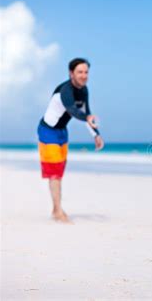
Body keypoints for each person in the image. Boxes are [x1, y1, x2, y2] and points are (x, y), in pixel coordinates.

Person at [37, 58, 104, 223]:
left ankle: (55, 209)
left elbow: (87, 112)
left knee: (59, 173)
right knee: (54, 173)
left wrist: (95, 134)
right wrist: (88, 117)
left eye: (86, 72)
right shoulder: (65, 90)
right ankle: (59, 211)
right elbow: (73, 111)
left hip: (62, 132)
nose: (83, 75)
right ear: (71, 73)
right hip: (48, 131)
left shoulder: (84, 90)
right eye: (79, 72)